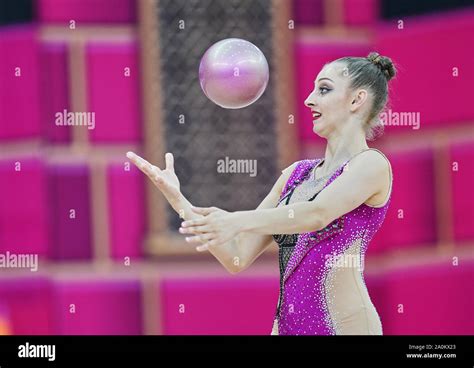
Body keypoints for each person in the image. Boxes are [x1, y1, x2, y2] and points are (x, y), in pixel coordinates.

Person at [127, 51, 396, 335]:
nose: (309, 99)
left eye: (324, 89)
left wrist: (236, 220)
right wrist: (178, 200)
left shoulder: (371, 165)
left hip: (346, 326)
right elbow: (237, 256)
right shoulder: (296, 175)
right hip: (287, 328)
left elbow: (317, 213)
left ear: (357, 100)